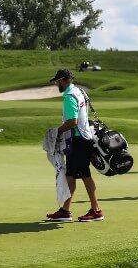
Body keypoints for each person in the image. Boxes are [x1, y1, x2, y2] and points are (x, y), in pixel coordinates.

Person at [45, 68, 104, 223]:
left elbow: (73, 121)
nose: (57, 84)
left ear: (64, 80)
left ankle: (96, 210)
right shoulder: (79, 91)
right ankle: (65, 211)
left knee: (85, 175)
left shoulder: (70, 96)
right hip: (79, 139)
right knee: (70, 175)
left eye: (58, 81)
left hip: (80, 140)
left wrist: (56, 132)